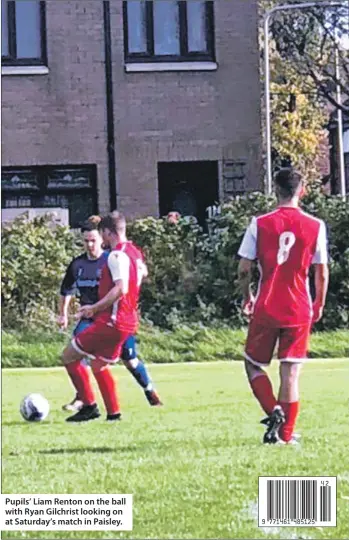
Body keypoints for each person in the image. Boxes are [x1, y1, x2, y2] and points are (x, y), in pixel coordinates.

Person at [237, 168, 329, 444]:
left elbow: (244, 268)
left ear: (275, 190)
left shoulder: (260, 223)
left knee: (252, 364)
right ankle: (285, 435)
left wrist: (247, 295)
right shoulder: (316, 225)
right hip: (299, 306)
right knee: (290, 372)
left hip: (267, 305)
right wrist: (319, 303)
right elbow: (321, 271)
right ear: (302, 191)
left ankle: (273, 411)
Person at [59, 214, 162, 420]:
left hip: (112, 321)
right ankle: (114, 414)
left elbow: (120, 289)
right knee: (99, 364)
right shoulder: (134, 252)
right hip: (127, 319)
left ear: (106, 233)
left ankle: (88, 406)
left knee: (68, 356)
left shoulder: (115, 255)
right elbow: (141, 275)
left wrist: (94, 308)